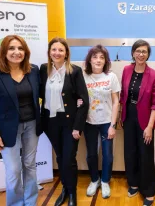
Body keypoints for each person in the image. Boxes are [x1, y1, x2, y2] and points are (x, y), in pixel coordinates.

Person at [0, 35, 41, 206]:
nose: (17, 52)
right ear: (4, 52)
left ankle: (30, 203)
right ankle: (15, 203)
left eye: (20, 48)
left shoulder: (34, 70)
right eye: (12, 48)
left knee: (29, 165)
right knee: (14, 170)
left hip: (31, 125)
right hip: (7, 129)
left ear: (25, 52)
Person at [39, 37, 89, 206]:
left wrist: (77, 127)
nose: (57, 53)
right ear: (49, 52)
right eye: (54, 49)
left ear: (66, 53)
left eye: (61, 50)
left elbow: (84, 100)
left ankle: (72, 193)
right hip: (50, 122)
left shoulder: (74, 71)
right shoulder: (44, 69)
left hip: (69, 123)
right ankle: (64, 189)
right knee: (60, 158)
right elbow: (39, 93)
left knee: (69, 158)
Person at [118, 39, 155, 206]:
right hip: (128, 116)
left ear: (148, 54)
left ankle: (149, 191)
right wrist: (120, 115)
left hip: (145, 119)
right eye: (138, 51)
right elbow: (123, 95)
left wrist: (150, 127)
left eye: (144, 51)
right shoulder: (126, 70)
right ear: (133, 53)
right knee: (130, 152)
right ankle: (134, 183)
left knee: (146, 155)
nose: (141, 54)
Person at [83, 45, 121, 198]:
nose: (98, 60)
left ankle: (105, 181)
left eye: (101, 57)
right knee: (91, 154)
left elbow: (116, 102)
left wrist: (113, 125)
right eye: (95, 57)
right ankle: (94, 180)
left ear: (105, 60)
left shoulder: (111, 77)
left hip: (106, 122)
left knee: (107, 154)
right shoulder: (82, 76)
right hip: (88, 122)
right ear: (90, 60)